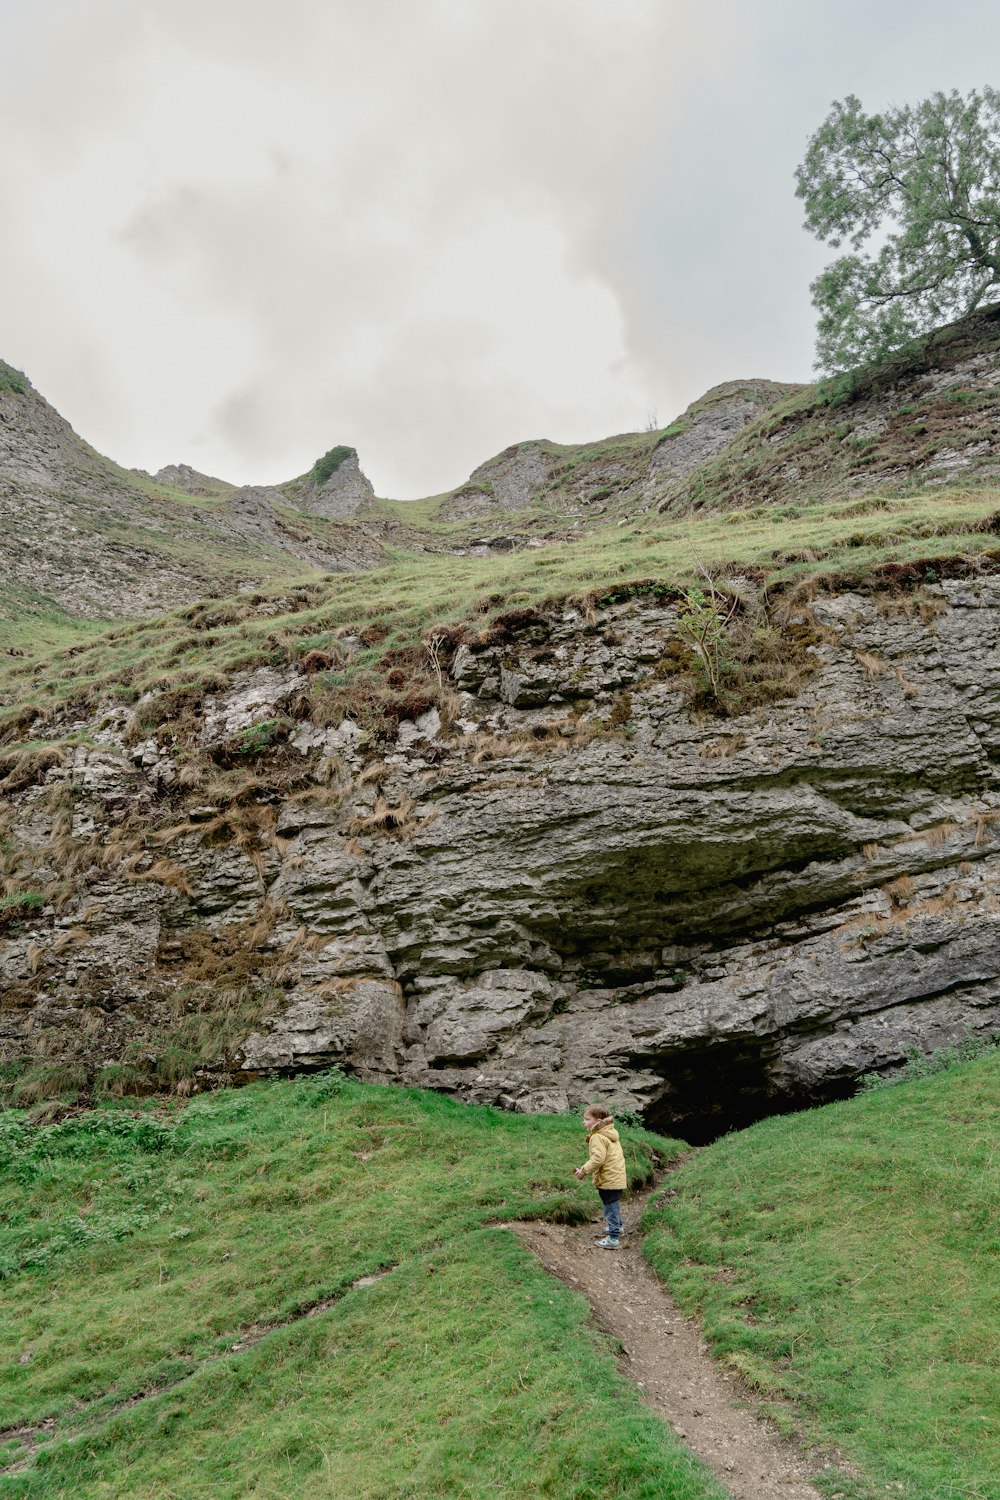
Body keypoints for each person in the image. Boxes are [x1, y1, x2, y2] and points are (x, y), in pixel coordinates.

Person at [573, 1103, 627, 1248]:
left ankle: (613, 1239)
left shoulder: (597, 1136)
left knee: (610, 1207)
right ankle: (618, 1227)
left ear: (597, 1121)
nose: (584, 1122)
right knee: (613, 1204)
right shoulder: (610, 1132)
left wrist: (584, 1170)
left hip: (608, 1178)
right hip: (616, 1176)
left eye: (587, 1119)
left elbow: (598, 1159)